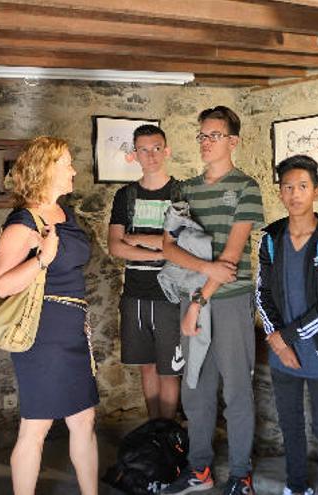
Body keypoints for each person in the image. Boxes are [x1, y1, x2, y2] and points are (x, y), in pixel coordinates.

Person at [162, 106, 265, 495]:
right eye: (202, 136)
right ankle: (199, 470)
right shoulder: (184, 189)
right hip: (195, 297)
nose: (206, 143)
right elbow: (168, 248)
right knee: (195, 387)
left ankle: (241, 475)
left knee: (236, 388)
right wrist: (204, 273)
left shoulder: (245, 187)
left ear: (232, 141)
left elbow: (232, 259)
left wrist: (198, 301)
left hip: (229, 302)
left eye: (214, 136)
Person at [0, 136, 98, 495]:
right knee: (35, 426)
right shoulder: (24, 222)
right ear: (46, 169)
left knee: (84, 418)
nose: (72, 169)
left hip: (72, 328)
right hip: (42, 333)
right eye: (66, 162)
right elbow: (3, 285)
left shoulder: (64, 214)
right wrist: (42, 259)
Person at [256, 155, 318, 495]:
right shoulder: (270, 238)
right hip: (283, 354)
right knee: (290, 424)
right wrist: (280, 344)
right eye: (288, 187)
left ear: (316, 192)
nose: (295, 194)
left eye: (303, 187)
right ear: (280, 193)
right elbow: (262, 293)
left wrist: (286, 338)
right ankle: (295, 486)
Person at [108, 124, 182, 420]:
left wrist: (137, 238)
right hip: (135, 293)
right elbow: (115, 246)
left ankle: (168, 430)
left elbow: (184, 245)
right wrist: (164, 248)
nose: (150, 155)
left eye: (156, 148)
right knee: (148, 366)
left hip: (171, 294)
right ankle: (155, 431)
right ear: (134, 155)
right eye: (143, 149)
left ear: (167, 151)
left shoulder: (181, 192)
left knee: (170, 369)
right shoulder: (125, 196)